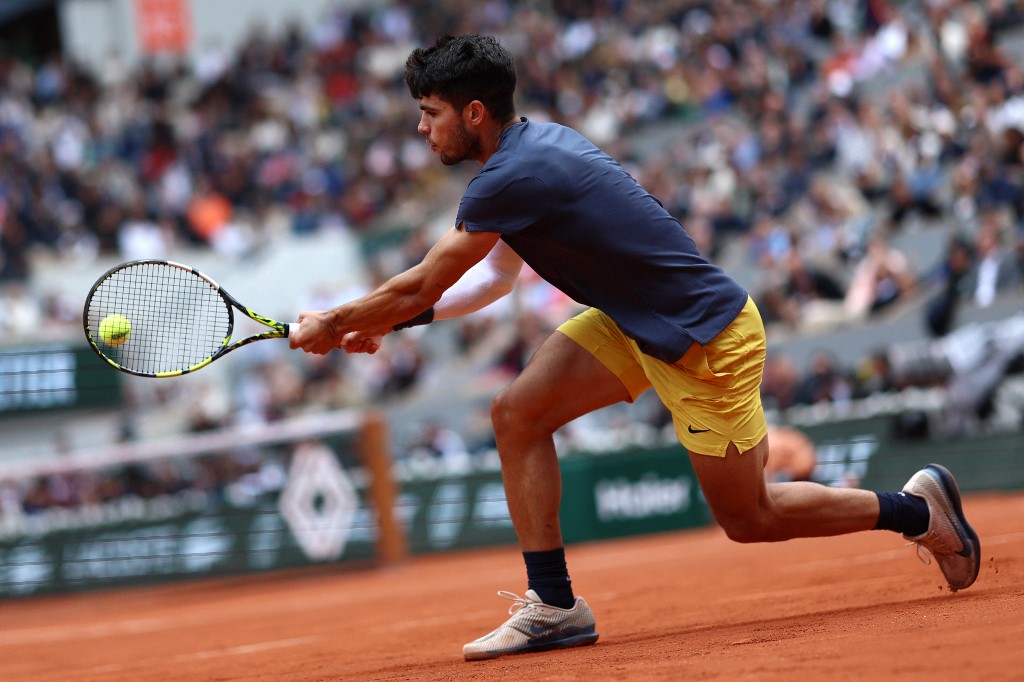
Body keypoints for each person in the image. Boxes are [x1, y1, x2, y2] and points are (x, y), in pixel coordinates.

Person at [290, 34, 980, 661]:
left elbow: (423, 281)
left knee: (752, 519)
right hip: (632, 323)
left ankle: (918, 512)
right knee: (518, 414)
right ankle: (554, 605)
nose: (421, 127)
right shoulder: (528, 151)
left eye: (430, 111)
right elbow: (494, 281)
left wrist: (334, 319)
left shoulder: (511, 176)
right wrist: (384, 322)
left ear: (474, 114)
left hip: (706, 341)